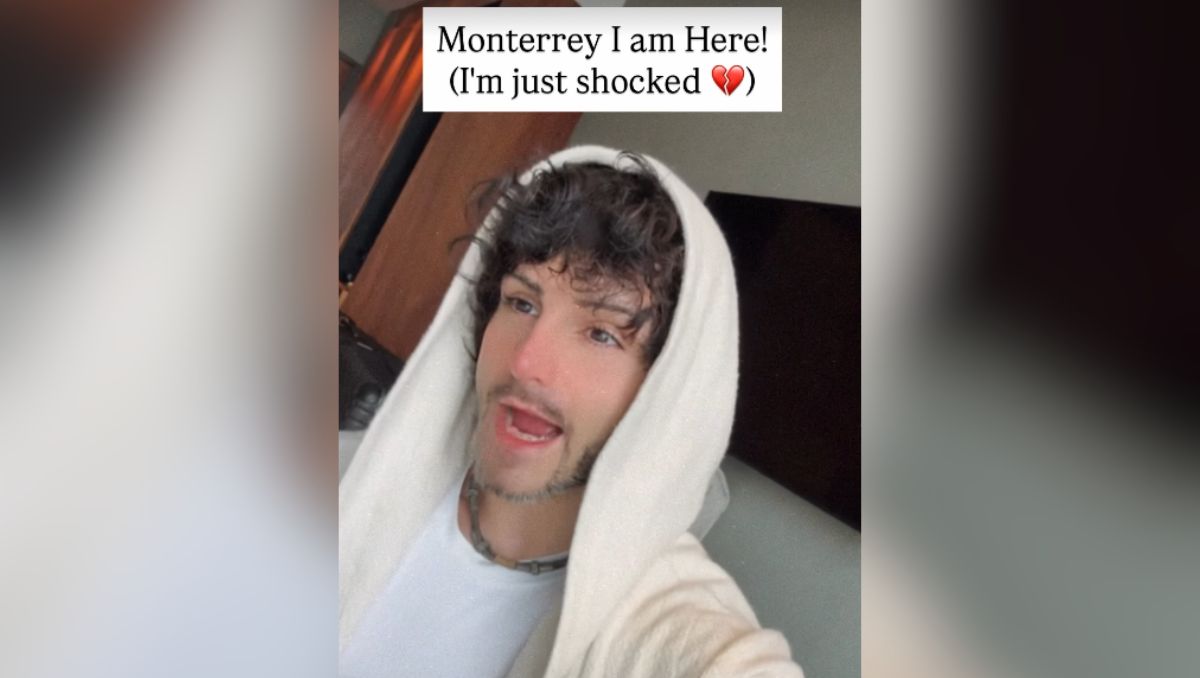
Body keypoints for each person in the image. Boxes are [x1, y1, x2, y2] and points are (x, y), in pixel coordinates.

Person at [339, 146, 804, 677]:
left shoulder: (680, 631)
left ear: (665, 391)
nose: (526, 363)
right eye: (522, 303)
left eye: (602, 334)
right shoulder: (349, 478)